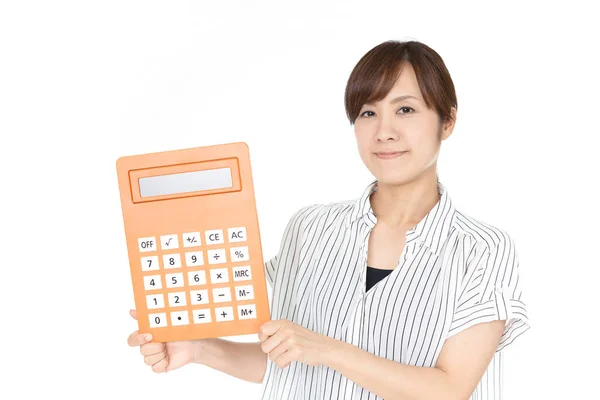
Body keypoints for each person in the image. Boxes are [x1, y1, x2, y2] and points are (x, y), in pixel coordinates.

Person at [127, 39, 531, 400]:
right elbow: (290, 365)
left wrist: (329, 349)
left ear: (447, 121)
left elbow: (450, 389)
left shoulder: (483, 249)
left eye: (405, 109)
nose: (384, 131)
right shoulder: (311, 229)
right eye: (367, 113)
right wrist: (200, 349)